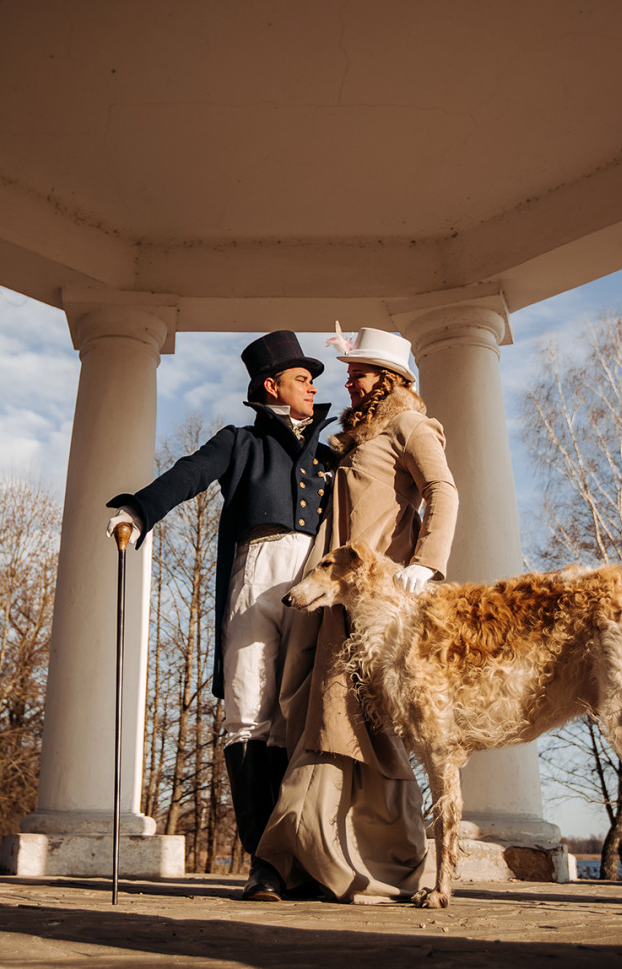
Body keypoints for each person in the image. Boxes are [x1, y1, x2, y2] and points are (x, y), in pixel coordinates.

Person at [104, 330, 335, 900]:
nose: (312, 384)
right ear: (270, 386)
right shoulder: (240, 442)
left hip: (313, 581)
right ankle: (265, 864)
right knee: (250, 710)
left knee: (298, 721)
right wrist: (137, 508)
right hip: (255, 576)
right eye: (300, 376)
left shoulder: (333, 455)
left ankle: (300, 858)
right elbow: (187, 474)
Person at [255, 325, 459, 903]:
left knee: (361, 719)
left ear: (388, 379)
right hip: (336, 597)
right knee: (325, 713)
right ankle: (317, 859)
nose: (349, 383)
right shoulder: (359, 434)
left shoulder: (410, 425)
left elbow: (444, 491)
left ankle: (364, 860)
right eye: (350, 374)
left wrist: (426, 564)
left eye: (359, 374)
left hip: (381, 602)